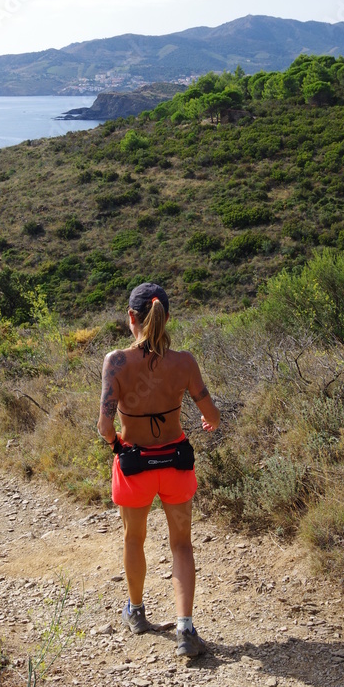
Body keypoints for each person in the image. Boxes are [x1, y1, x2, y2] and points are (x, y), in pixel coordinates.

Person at [97, 282, 221, 657]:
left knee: (134, 539)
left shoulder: (116, 361)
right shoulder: (184, 362)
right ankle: (186, 630)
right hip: (176, 463)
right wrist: (207, 422)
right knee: (181, 544)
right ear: (166, 317)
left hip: (135, 464)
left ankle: (136, 612)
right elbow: (212, 416)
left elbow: (104, 428)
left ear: (131, 318)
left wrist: (118, 443)